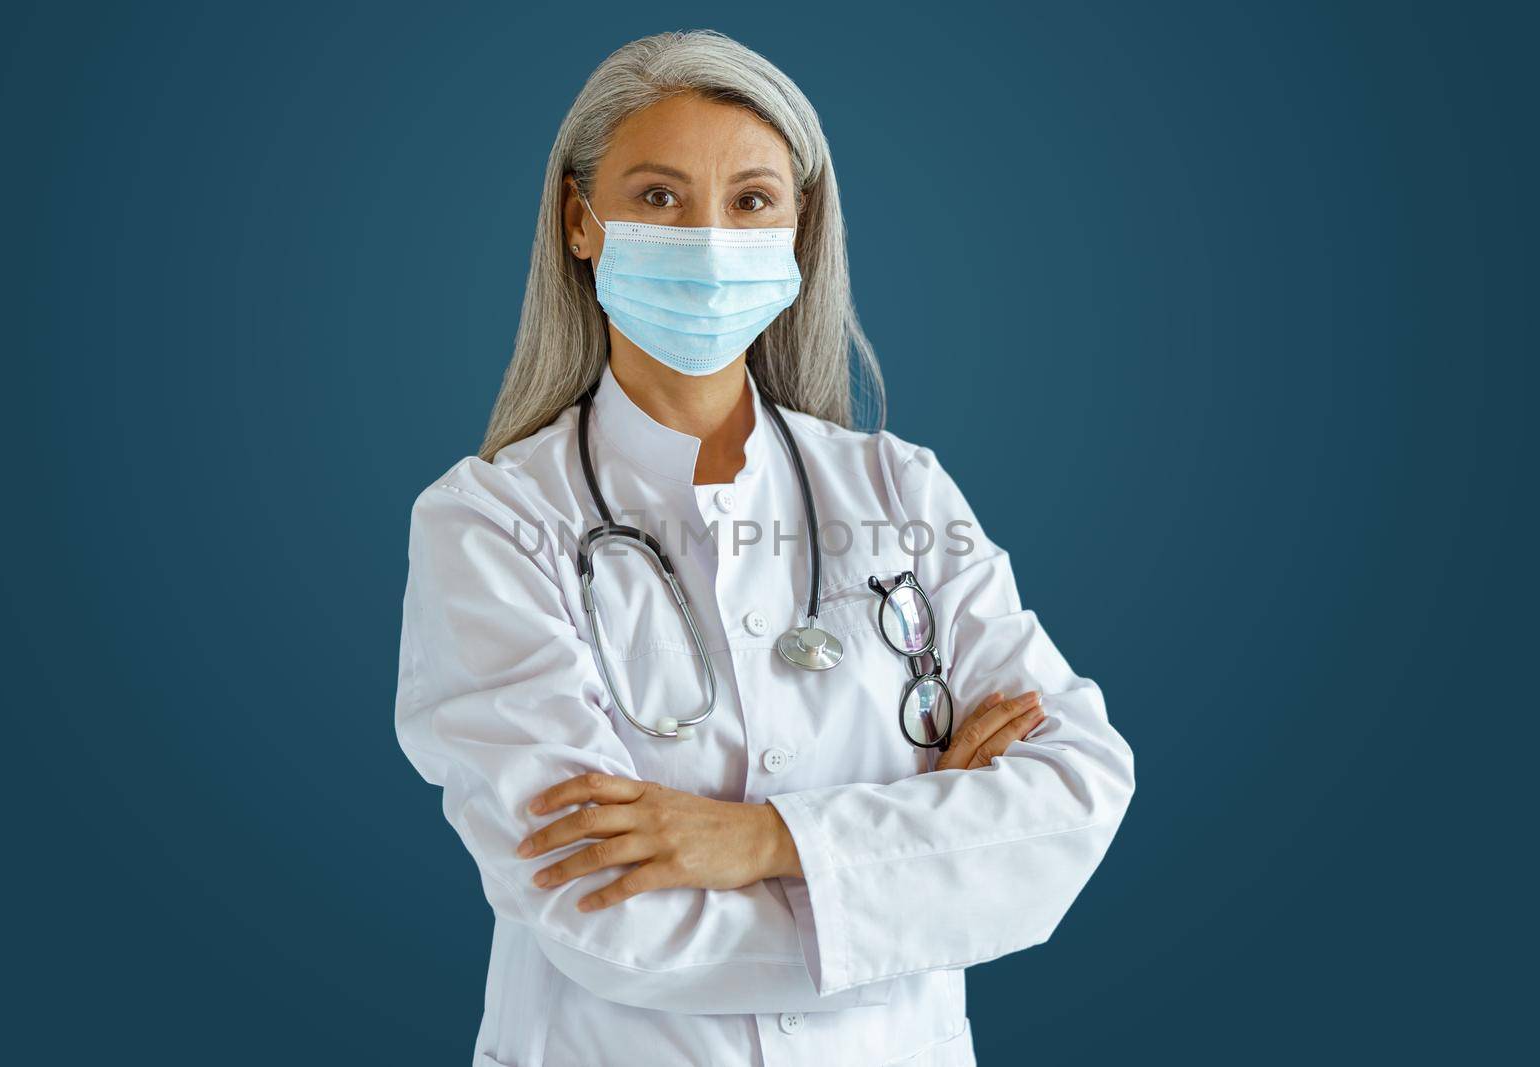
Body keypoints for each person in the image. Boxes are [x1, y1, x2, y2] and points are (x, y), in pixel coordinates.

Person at [394, 29, 1135, 1067]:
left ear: (798, 229)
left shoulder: (898, 488)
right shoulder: (492, 523)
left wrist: (761, 841)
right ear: (579, 219)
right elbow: (604, 915)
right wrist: (933, 853)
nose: (706, 240)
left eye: (749, 201)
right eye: (657, 197)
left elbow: (1075, 795)